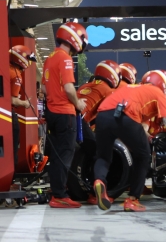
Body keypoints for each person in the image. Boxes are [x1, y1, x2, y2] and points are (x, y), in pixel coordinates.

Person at [93, 70, 166, 212]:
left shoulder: (134, 88)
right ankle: (133, 199)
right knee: (143, 156)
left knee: (103, 157)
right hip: (126, 116)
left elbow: (143, 126)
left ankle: (99, 181)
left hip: (103, 115)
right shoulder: (159, 95)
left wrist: (145, 137)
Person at [41, 22, 88, 208]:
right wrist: (78, 103)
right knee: (65, 154)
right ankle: (60, 195)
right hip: (65, 113)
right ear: (74, 38)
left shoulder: (49, 58)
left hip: (52, 113)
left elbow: (44, 88)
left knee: (56, 155)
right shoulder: (65, 59)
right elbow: (69, 88)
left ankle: (57, 190)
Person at [76, 60, 122, 205]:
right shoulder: (107, 90)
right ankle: (95, 192)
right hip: (79, 121)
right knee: (100, 155)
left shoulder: (86, 85)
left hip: (68, 119)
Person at [9, 45, 37, 168]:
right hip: (7, 116)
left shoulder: (5, 69)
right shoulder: (16, 75)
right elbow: (11, 100)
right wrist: (24, 103)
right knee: (12, 147)